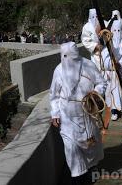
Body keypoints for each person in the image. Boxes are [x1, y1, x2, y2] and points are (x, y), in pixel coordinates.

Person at [49, 42, 106, 184]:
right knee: (71, 148)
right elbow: (54, 95)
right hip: (67, 118)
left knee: (90, 146)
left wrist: (96, 93)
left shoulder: (88, 66)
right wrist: (55, 113)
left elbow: (101, 83)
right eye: (65, 57)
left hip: (87, 113)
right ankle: (78, 177)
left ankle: (91, 170)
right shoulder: (58, 70)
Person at [102, 20, 122, 121]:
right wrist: (110, 65)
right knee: (113, 92)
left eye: (119, 30)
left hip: (121, 71)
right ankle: (114, 111)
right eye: (115, 30)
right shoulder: (109, 41)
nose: (117, 32)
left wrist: (120, 63)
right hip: (112, 72)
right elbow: (105, 56)